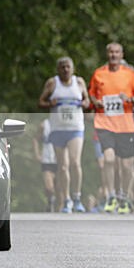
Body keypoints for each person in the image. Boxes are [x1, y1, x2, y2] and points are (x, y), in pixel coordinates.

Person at [88, 42, 134, 215]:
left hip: (125, 125)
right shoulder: (98, 74)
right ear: (107, 54)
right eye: (111, 52)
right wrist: (96, 102)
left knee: (127, 165)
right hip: (104, 123)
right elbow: (91, 94)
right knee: (108, 159)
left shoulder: (130, 74)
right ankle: (110, 195)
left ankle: (124, 196)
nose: (114, 55)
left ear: (121, 55)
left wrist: (129, 99)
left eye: (117, 52)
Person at [37, 56, 90, 213]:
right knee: (63, 166)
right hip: (58, 129)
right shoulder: (52, 83)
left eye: (68, 67)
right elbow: (40, 102)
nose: (65, 70)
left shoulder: (79, 82)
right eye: (62, 67)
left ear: (72, 68)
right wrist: (49, 104)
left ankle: (77, 198)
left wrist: (85, 103)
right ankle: (66, 199)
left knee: (75, 162)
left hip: (75, 128)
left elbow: (87, 101)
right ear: (58, 69)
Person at [32, 118, 57, 212]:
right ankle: (50, 201)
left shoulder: (63, 126)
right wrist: (37, 154)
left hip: (60, 160)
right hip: (47, 159)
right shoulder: (44, 125)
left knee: (59, 189)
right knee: (49, 187)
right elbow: (35, 139)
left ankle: (60, 209)